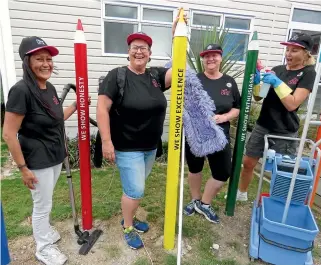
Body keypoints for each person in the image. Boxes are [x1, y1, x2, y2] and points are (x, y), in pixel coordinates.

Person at [96, 14, 186, 249]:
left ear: (149, 53)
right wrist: (106, 141)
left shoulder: (155, 76)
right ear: (128, 51)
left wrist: (178, 37)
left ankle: (131, 216)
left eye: (144, 48)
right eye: (135, 48)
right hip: (126, 146)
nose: (139, 52)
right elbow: (102, 109)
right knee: (135, 190)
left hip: (150, 146)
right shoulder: (117, 76)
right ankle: (127, 225)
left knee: (135, 188)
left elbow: (179, 68)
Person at [2, 36, 90, 265]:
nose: (46, 64)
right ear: (27, 62)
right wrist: (22, 168)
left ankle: (45, 233)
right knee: (42, 205)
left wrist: (75, 106)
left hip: (53, 155)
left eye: (49, 59)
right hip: (36, 159)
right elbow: (9, 134)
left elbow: (55, 119)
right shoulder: (21, 91)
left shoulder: (48, 87)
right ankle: (43, 247)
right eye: (39, 59)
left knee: (47, 200)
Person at [237, 33, 317, 201]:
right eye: (287, 49)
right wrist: (257, 83)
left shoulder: (308, 73)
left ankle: (276, 201)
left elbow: (292, 104)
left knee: (282, 171)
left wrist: (277, 83)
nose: (288, 54)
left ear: (306, 54)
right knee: (248, 162)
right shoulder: (277, 70)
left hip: (285, 130)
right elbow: (259, 97)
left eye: (294, 50)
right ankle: (241, 194)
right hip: (263, 124)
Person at [183, 44, 241, 223]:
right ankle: (195, 199)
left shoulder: (229, 82)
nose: (210, 59)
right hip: (196, 134)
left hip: (219, 135)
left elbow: (237, 108)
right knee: (195, 168)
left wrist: (223, 117)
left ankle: (204, 204)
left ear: (221, 58)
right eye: (207, 56)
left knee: (223, 172)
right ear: (203, 59)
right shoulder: (195, 80)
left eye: (214, 55)